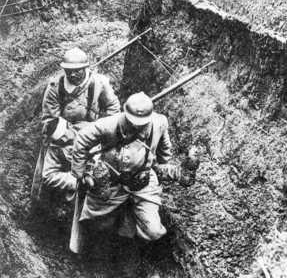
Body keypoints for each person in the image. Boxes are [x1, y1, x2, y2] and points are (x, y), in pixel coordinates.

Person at [70, 91, 199, 252]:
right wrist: (80, 173)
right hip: (110, 182)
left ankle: (138, 256)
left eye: (141, 122)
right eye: (133, 122)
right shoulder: (109, 124)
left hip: (143, 180)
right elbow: (81, 139)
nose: (137, 125)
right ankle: (99, 254)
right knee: (96, 222)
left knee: (153, 230)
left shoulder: (159, 123)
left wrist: (159, 169)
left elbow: (164, 152)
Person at [31, 47, 120, 202]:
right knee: (47, 178)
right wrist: (70, 134)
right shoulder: (55, 87)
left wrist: (101, 131)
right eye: (68, 70)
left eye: (77, 70)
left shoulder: (99, 83)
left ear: (85, 68)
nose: (73, 74)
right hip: (63, 135)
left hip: (93, 134)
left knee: (103, 170)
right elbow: (49, 121)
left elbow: (114, 109)